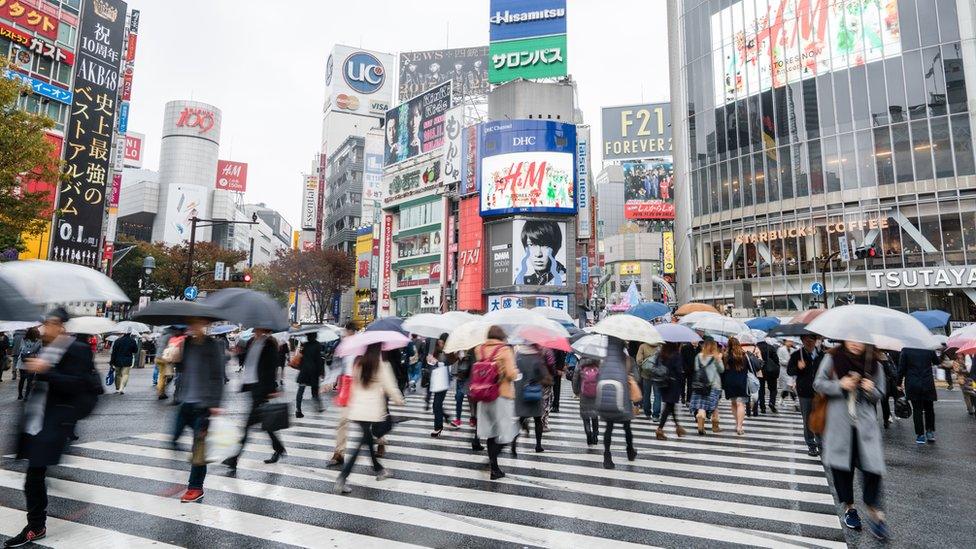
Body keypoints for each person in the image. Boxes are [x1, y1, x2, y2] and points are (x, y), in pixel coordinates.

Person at [7, 309, 100, 548]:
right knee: (35, 475)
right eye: (43, 324)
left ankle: (36, 526)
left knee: (33, 477)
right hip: (37, 422)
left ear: (61, 326)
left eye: (49, 324)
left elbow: (78, 384)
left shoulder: (76, 349)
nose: (44, 329)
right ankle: (37, 522)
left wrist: (47, 371)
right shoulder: (49, 348)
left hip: (56, 424)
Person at [813, 340, 889, 541]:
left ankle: (875, 513)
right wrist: (840, 384)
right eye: (851, 339)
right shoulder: (832, 358)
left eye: (860, 340)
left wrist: (870, 389)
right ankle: (850, 508)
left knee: (872, 470)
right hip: (839, 425)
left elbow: (880, 393)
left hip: (865, 427)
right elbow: (818, 383)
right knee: (842, 470)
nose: (855, 344)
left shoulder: (874, 364)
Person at [334, 343, 404, 495]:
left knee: (366, 441)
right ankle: (342, 477)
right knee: (361, 445)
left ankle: (379, 469)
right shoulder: (381, 365)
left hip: (358, 410)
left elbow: (353, 386)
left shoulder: (359, 362)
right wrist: (400, 400)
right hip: (371, 411)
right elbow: (390, 387)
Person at [170, 317, 225, 503]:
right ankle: (193, 469)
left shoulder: (213, 345)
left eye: (196, 323)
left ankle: (195, 487)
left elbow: (218, 375)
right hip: (185, 402)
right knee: (173, 439)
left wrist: (215, 403)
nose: (192, 326)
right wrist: (175, 357)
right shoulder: (187, 343)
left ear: (204, 325)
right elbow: (181, 369)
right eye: (191, 323)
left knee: (199, 449)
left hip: (203, 405)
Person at [223, 329, 286, 469]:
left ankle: (234, 458)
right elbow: (249, 361)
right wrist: (239, 353)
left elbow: (271, 368)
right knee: (266, 424)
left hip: (262, 389)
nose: (255, 329)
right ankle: (279, 448)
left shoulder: (269, 343)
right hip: (253, 387)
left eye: (258, 327)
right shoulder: (253, 341)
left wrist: (272, 389)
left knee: (247, 426)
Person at [474, 326, 519, 480]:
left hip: (483, 394)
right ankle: (492, 465)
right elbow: (511, 374)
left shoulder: (479, 349)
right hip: (501, 395)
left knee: (491, 433)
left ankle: (494, 467)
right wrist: (515, 371)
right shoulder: (505, 350)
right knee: (506, 433)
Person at [598, 336, 638, 469]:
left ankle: (607, 455)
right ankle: (630, 450)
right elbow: (636, 378)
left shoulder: (604, 360)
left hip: (606, 400)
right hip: (622, 400)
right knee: (627, 427)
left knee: (608, 428)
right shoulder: (627, 360)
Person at [327, 322, 359, 467]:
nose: (344, 334)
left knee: (369, 423)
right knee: (343, 421)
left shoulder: (362, 346)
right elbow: (337, 366)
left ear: (351, 331)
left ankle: (381, 440)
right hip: (347, 385)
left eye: (346, 331)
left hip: (360, 387)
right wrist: (330, 381)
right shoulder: (343, 346)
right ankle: (339, 452)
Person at [788, 334, 824, 456]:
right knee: (807, 419)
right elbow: (789, 371)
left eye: (812, 340)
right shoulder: (797, 355)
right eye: (806, 340)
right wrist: (798, 368)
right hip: (805, 392)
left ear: (816, 341)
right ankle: (811, 444)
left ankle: (821, 444)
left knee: (820, 418)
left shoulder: (822, 355)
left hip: (820, 392)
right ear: (802, 341)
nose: (809, 343)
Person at [513, 344, 550, 454]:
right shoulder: (537, 356)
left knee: (521, 418)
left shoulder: (518, 354)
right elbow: (543, 374)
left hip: (521, 389)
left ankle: (514, 441)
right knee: (537, 419)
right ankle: (538, 445)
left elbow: (516, 370)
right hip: (534, 390)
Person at [897, 346, 939, 445]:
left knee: (917, 409)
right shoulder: (929, 348)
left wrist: (898, 383)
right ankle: (930, 432)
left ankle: (920, 435)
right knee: (929, 409)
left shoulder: (906, 349)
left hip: (912, 383)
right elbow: (937, 362)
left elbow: (901, 368)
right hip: (927, 381)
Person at [514, 220, 567, 285]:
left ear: (556, 247)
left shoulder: (566, 279)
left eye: (545, 245)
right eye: (531, 245)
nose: (538, 254)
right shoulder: (522, 281)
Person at [690, 338, 724, 435]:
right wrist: (719, 359)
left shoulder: (698, 356)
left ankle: (700, 418)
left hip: (700, 385)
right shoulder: (716, 357)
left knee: (701, 405)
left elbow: (696, 369)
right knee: (714, 406)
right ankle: (715, 426)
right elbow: (721, 370)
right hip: (714, 385)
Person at [655, 342, 686, 440]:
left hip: (663, 383)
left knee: (670, 406)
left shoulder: (661, 354)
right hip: (673, 383)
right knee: (669, 406)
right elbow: (678, 370)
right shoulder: (676, 355)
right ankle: (660, 429)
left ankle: (678, 426)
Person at [721, 337, 750, 435]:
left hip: (729, 381)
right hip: (741, 381)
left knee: (733, 403)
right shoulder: (743, 355)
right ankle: (739, 426)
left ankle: (737, 422)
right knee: (740, 404)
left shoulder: (725, 355)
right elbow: (749, 368)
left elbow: (723, 369)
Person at [572, 356, 601, 445]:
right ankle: (595, 435)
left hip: (584, 393)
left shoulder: (580, 362)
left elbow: (575, 377)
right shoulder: (598, 362)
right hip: (596, 393)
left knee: (585, 415)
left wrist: (576, 391)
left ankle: (588, 432)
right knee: (594, 414)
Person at [295, 332, 325, 418]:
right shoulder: (318, 345)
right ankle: (319, 406)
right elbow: (319, 360)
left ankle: (298, 410)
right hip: (313, 372)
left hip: (304, 371)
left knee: (300, 390)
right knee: (315, 390)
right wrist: (321, 372)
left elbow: (302, 358)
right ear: (315, 336)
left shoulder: (305, 345)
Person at [636, 341, 661, 421]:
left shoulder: (642, 346)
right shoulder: (660, 347)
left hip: (645, 375)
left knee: (646, 394)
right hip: (657, 375)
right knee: (657, 395)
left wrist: (645, 364)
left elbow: (638, 360)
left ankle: (647, 413)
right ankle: (656, 415)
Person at [109, 330, 139, 395]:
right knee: (125, 374)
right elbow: (135, 350)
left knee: (118, 374)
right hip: (127, 360)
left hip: (117, 360)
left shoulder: (117, 340)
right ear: (130, 333)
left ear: (123, 333)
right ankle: (122, 388)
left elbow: (113, 352)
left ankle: (117, 389)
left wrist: (111, 361)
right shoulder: (132, 341)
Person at [15, 328, 42, 401]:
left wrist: (33, 355)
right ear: (31, 333)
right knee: (22, 379)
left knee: (30, 380)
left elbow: (40, 351)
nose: (37, 333)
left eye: (37, 332)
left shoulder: (39, 341)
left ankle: (26, 395)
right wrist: (31, 353)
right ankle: (20, 394)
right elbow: (22, 348)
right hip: (23, 362)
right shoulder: (24, 339)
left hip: (32, 362)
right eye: (36, 332)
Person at [756, 339, 780, 413]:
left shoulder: (756, 348)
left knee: (761, 389)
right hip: (771, 371)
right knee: (773, 389)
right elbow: (776, 359)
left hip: (760, 371)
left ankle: (762, 407)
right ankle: (771, 402)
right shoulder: (771, 347)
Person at [776, 338, 798, 410]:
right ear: (785, 342)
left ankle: (781, 400)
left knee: (788, 387)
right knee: (789, 387)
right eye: (789, 341)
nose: (790, 343)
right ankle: (795, 402)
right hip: (784, 371)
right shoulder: (781, 349)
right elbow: (779, 360)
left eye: (791, 341)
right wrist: (788, 362)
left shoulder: (793, 350)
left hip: (791, 372)